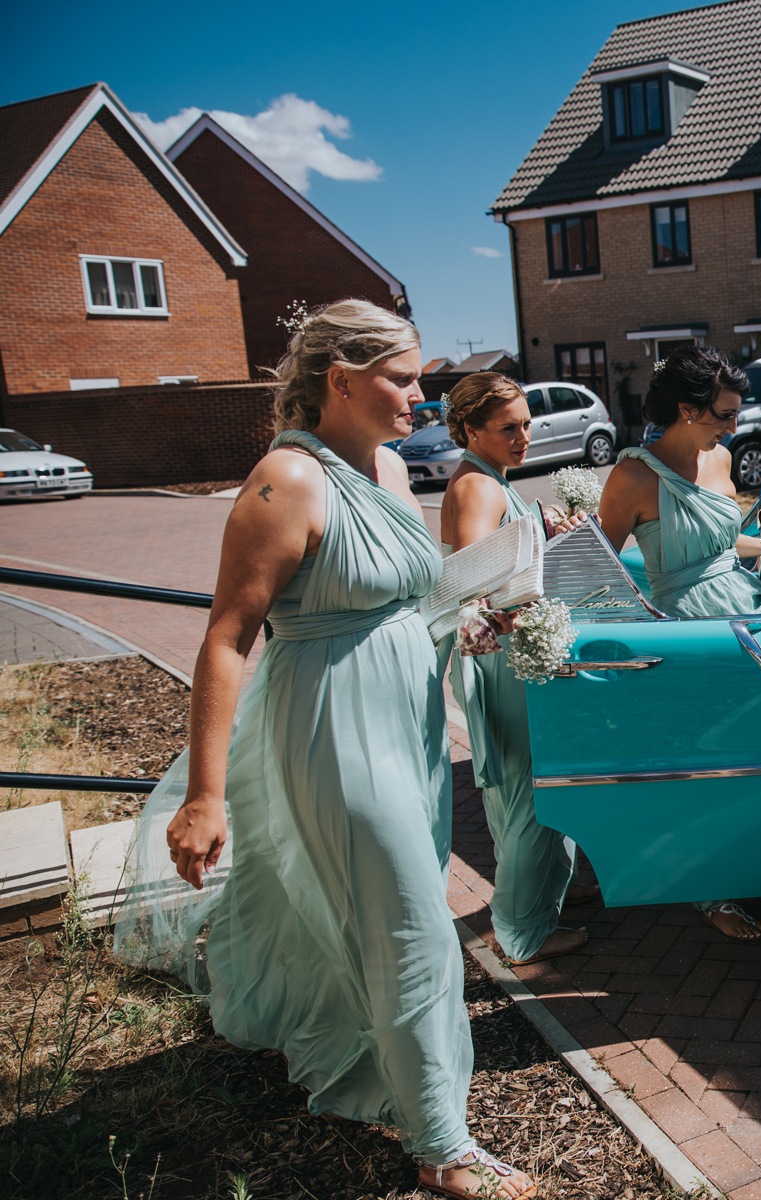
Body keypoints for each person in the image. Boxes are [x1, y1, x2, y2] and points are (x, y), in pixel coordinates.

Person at [113, 300, 533, 1200]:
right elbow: (227, 638)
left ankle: (404, 1086)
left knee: (397, 908)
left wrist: (472, 615)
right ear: (340, 380)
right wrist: (204, 795)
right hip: (335, 727)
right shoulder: (286, 482)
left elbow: (401, 594)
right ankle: (442, 1147)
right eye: (402, 378)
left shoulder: (386, 468)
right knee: (413, 924)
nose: (421, 396)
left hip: (410, 720)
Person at [597, 345, 761, 941]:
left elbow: (721, 545)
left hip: (742, 601)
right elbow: (601, 568)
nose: (734, 426)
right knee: (708, 759)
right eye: (724, 413)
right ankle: (710, 890)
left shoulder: (719, 459)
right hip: (689, 625)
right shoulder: (633, 475)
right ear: (688, 410)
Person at [438, 372, 593, 968]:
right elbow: (473, 585)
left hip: (511, 653)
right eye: (509, 427)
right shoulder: (479, 486)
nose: (524, 435)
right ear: (472, 428)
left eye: (527, 423)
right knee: (528, 791)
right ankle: (522, 934)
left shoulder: (488, 477)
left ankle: (539, 902)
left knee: (525, 788)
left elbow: (504, 560)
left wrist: (547, 529)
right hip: (505, 658)